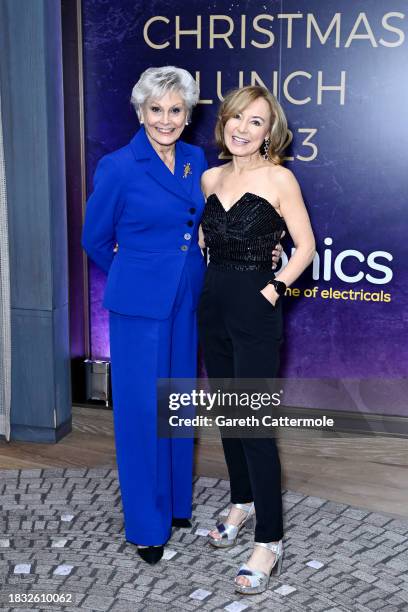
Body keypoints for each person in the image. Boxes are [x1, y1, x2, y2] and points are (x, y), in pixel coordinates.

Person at [81, 66, 208, 565]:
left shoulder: (197, 159)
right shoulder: (118, 166)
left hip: (187, 296)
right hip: (139, 305)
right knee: (140, 414)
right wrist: (133, 274)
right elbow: (94, 238)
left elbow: (201, 222)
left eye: (176, 110)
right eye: (156, 109)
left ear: (188, 113)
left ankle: (176, 503)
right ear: (140, 111)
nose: (165, 119)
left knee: (178, 401)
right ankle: (147, 525)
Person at [198, 85, 315, 594]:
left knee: (255, 426)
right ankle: (241, 502)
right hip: (213, 307)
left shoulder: (280, 178)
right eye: (236, 117)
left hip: (256, 311)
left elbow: (305, 246)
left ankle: (270, 539)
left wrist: (275, 286)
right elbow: (205, 238)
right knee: (227, 415)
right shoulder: (209, 177)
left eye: (256, 121)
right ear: (224, 122)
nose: (242, 128)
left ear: (271, 132)